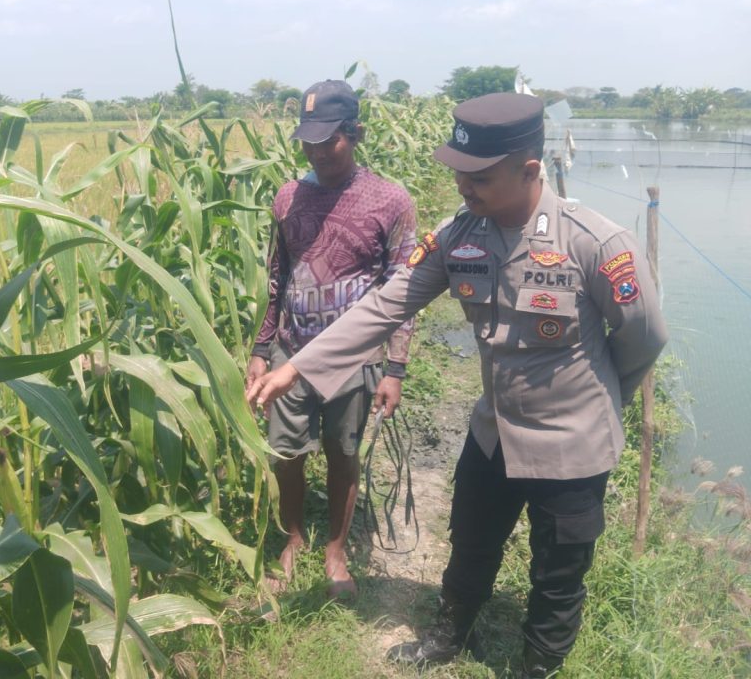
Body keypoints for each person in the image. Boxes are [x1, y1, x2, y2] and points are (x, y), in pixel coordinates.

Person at [247, 92, 668, 676]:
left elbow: (642, 339)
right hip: (494, 433)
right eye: (457, 175)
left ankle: (536, 665)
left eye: (479, 178)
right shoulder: (458, 237)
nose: (463, 188)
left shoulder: (595, 244)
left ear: (528, 171)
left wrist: (600, 406)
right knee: (471, 541)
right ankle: (449, 634)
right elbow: (385, 305)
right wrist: (298, 365)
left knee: (558, 568)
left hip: (574, 444)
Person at [245, 79, 417, 599]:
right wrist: (260, 349)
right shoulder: (288, 197)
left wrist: (395, 368)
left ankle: (336, 549)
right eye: (308, 142)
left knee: (343, 452)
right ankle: (293, 537)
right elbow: (278, 276)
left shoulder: (390, 201)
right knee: (286, 452)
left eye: (329, 141)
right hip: (289, 351)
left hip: (353, 360)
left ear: (356, 132)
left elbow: (403, 289)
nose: (317, 152)